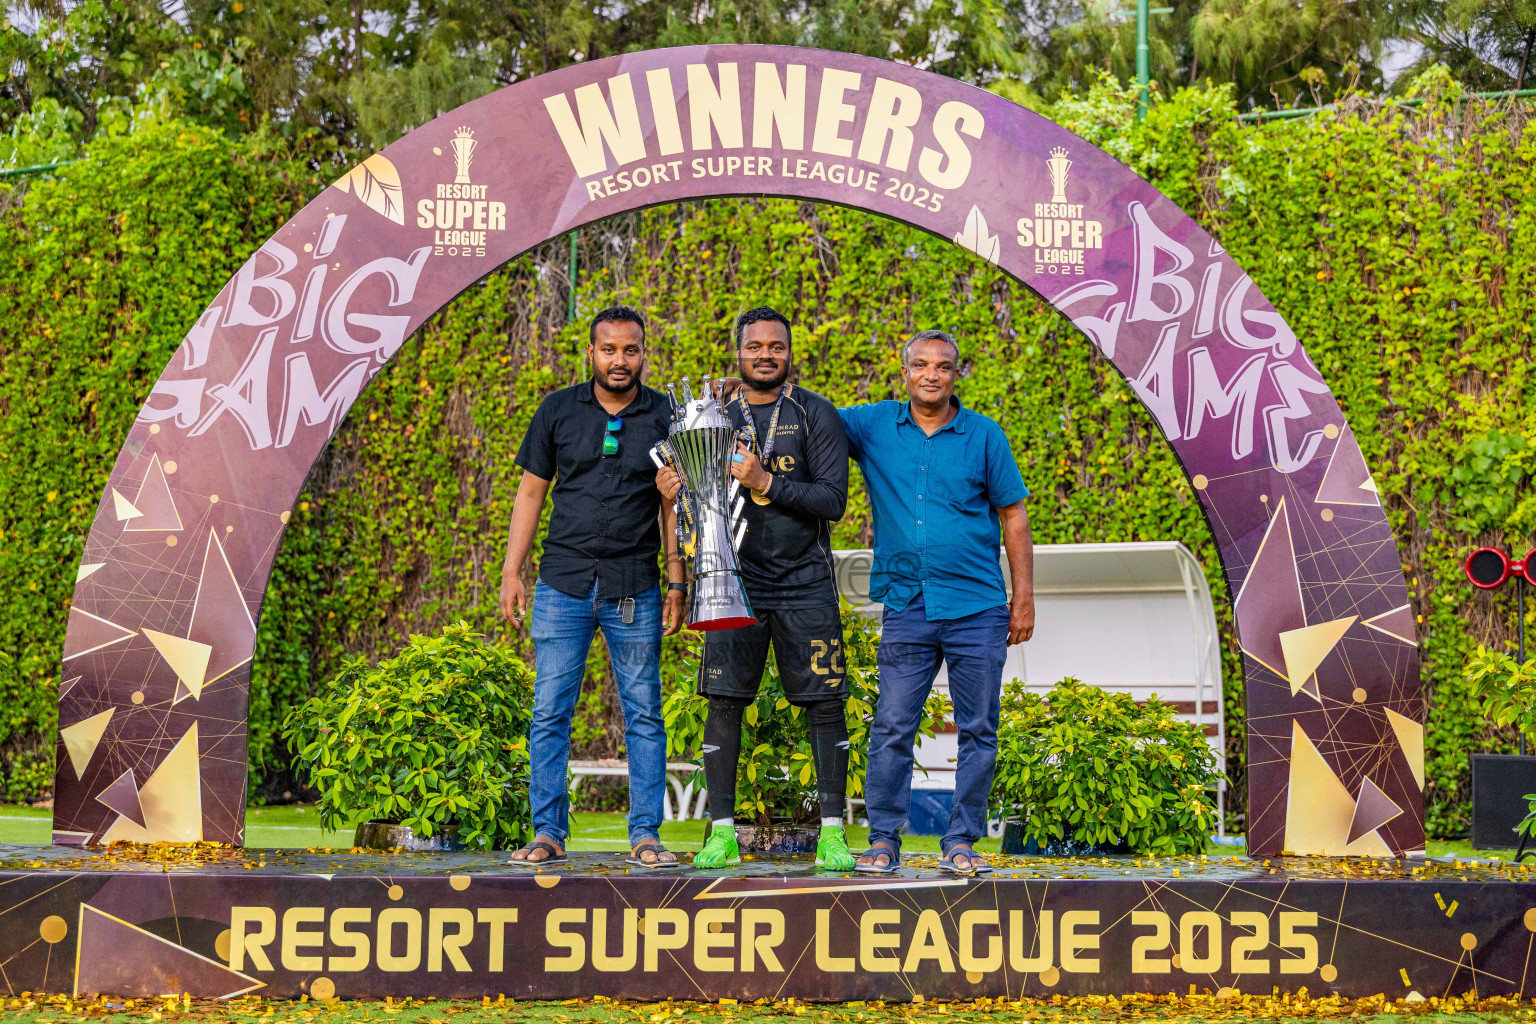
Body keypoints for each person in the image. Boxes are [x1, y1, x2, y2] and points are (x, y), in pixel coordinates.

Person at [656, 306, 857, 871]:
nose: (765, 355)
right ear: (737, 351)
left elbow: (832, 502)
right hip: (732, 580)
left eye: (776, 346)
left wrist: (767, 480)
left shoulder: (815, 413)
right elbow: (690, 495)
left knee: (825, 704)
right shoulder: (713, 413)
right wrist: (672, 488)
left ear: (789, 353)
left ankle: (834, 834)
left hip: (804, 582)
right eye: (754, 347)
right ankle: (720, 833)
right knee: (724, 701)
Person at [838, 329, 1034, 876]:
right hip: (908, 604)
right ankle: (883, 840)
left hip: (978, 607)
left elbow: (1013, 516)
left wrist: (1024, 599)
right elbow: (813, 417)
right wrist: (751, 393)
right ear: (905, 373)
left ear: (955, 375)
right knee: (893, 724)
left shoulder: (985, 436)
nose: (931, 374)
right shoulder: (873, 425)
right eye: (920, 365)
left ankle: (962, 842)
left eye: (942, 367)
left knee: (978, 729)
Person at [500, 306, 688, 869]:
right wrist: (513, 571)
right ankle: (548, 833)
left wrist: (676, 581)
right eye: (609, 349)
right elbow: (531, 493)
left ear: (643, 354)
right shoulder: (557, 410)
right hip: (562, 583)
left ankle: (646, 835)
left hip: (635, 585)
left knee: (643, 714)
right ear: (591, 352)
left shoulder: (668, 415)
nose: (620, 360)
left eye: (631, 350)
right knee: (550, 713)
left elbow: (672, 506)